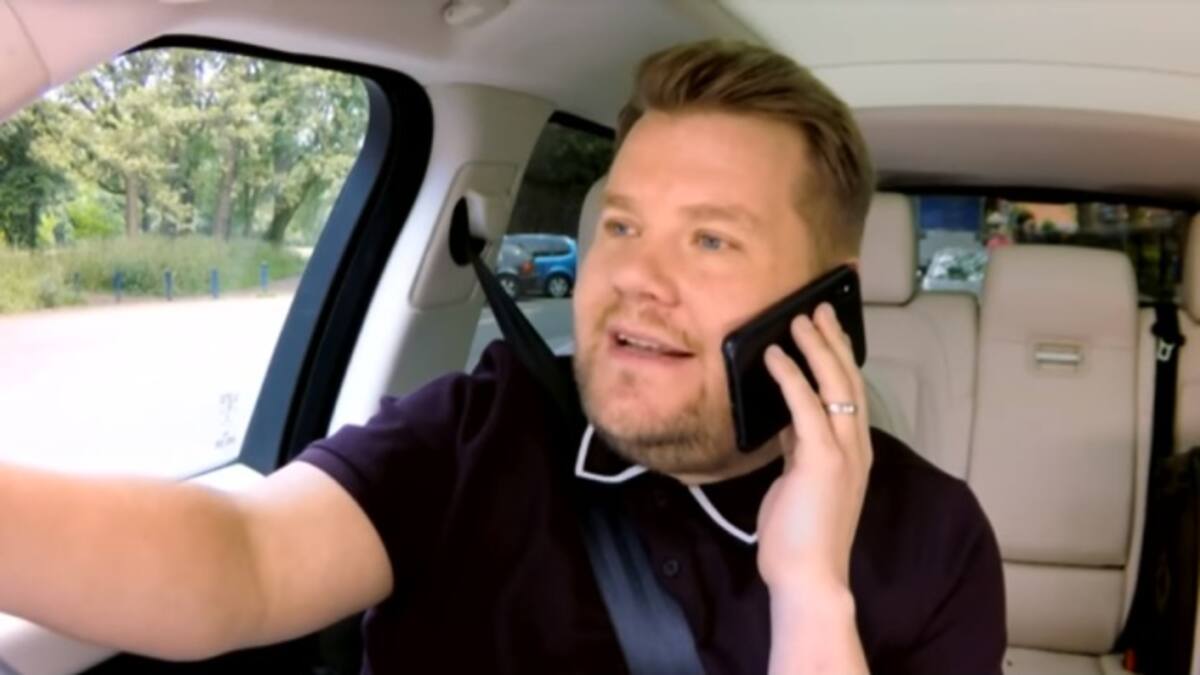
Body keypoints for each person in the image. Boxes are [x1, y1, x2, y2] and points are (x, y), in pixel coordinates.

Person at [0, 40, 1004, 673]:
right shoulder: (480, 426)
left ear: (827, 294)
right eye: (620, 225)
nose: (635, 276)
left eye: (709, 239)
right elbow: (240, 559)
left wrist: (812, 593)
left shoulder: (934, 539)